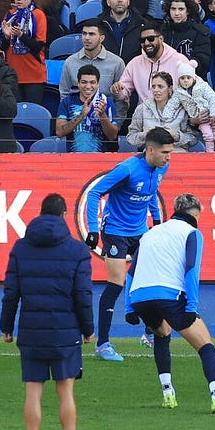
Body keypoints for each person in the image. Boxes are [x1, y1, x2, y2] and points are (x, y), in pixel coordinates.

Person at [0, 193, 95, 430]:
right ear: (65, 215)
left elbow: (11, 293)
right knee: (66, 392)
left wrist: (7, 326)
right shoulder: (78, 251)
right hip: (65, 332)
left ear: (40, 214)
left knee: (33, 391)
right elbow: (83, 295)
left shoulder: (20, 248)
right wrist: (88, 329)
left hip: (31, 330)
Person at [126, 193, 215, 414]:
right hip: (168, 295)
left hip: (140, 297)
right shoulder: (192, 233)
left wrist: (129, 307)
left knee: (162, 334)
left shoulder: (150, 233)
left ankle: (168, 395)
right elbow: (191, 270)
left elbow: (130, 273)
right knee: (206, 345)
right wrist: (191, 307)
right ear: (196, 212)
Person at [82, 128, 174, 360]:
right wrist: (92, 229)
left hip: (140, 231)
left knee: (152, 279)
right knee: (116, 283)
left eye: (171, 152)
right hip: (115, 231)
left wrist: (157, 221)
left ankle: (149, 332)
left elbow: (152, 192)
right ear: (150, 150)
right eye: (165, 152)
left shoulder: (162, 167)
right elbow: (94, 193)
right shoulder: (127, 169)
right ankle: (102, 344)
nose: (169, 157)